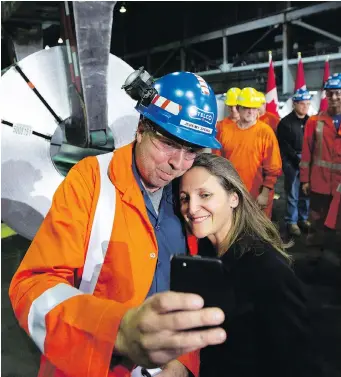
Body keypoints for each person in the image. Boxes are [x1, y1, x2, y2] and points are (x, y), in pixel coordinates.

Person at [9, 71, 227, 377]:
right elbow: (33, 286)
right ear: (141, 129)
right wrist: (117, 331)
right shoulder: (91, 181)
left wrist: (184, 361)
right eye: (168, 143)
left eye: (191, 150)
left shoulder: (187, 195)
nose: (178, 163)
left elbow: (193, 290)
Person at [179, 153, 321, 377]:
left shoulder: (267, 268)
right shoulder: (203, 255)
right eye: (185, 198)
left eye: (204, 195)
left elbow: (297, 360)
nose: (192, 208)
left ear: (233, 198)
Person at [214, 87, 282, 218]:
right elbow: (218, 162)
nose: (251, 112)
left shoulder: (265, 132)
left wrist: (265, 193)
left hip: (257, 195)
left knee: (258, 233)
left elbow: (273, 167)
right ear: (238, 108)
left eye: (254, 108)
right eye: (246, 107)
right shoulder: (226, 130)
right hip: (232, 193)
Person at [300, 73, 341, 251]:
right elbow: (306, 154)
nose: (333, 97)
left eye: (338, 93)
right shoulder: (314, 122)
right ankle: (312, 258)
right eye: (330, 93)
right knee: (316, 222)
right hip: (319, 184)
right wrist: (305, 180)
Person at [277, 88, 311, 237]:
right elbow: (284, 146)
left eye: (308, 104)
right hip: (292, 162)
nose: (305, 107)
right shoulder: (285, 123)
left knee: (306, 192)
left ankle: (303, 218)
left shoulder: (311, 121)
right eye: (302, 103)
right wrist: (299, 161)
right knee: (293, 193)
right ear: (295, 104)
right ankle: (291, 221)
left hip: (308, 161)